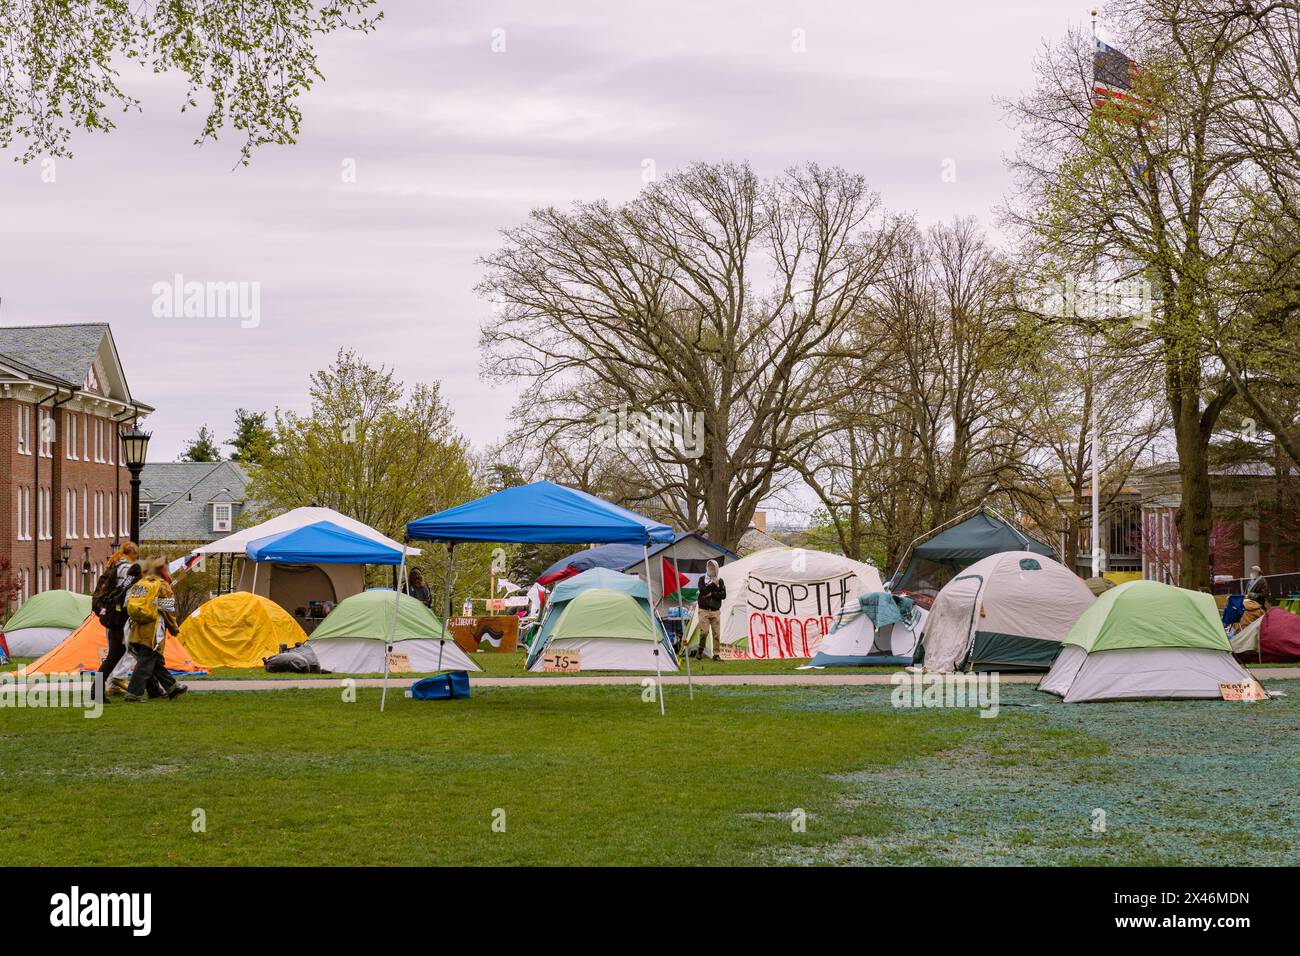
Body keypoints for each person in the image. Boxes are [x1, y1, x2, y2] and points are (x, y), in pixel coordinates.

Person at [123, 557, 188, 703]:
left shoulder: (142, 583)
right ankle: (133, 693)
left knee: (155, 661)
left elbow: (129, 603)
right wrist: (174, 628)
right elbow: (168, 610)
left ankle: (172, 687)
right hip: (153, 631)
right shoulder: (162, 586)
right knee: (146, 662)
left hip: (137, 627)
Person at [91, 541, 141, 702]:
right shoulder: (126, 569)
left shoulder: (114, 566)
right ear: (132, 554)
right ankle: (97, 691)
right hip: (120, 618)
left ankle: (99, 690)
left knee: (116, 654)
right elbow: (127, 592)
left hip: (112, 615)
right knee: (114, 656)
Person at [694, 560, 726, 660]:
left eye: (713, 566)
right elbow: (703, 591)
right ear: (707, 567)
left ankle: (716, 655)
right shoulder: (702, 579)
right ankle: (700, 649)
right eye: (709, 566)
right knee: (704, 632)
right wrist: (712, 584)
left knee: (716, 633)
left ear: (716, 568)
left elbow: (723, 595)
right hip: (703, 610)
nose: (711, 568)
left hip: (715, 610)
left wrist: (712, 594)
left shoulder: (720, 581)